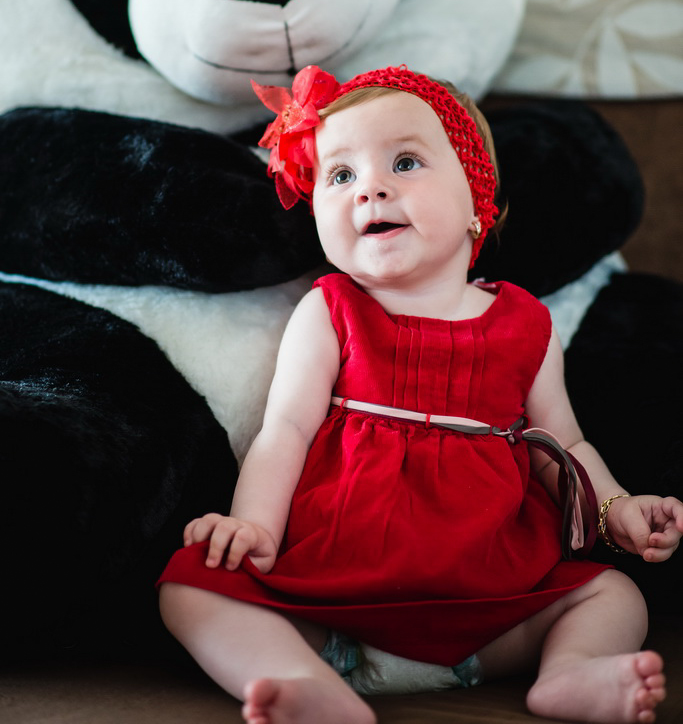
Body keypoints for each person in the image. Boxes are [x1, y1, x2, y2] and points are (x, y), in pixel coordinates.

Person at [158, 65, 682, 724]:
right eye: (339, 175)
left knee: (614, 594)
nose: (369, 188)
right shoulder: (332, 310)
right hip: (334, 604)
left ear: (476, 203)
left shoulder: (525, 322)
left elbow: (562, 445)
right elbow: (286, 428)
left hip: (489, 613)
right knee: (189, 584)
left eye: (404, 163)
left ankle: (570, 671)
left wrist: (615, 508)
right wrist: (255, 526)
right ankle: (297, 679)